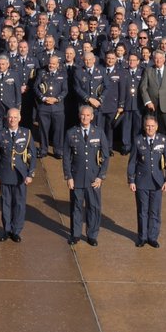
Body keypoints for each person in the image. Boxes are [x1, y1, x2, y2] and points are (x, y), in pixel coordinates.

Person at [63, 105, 109, 246]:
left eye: (88, 115)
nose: (85, 117)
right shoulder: (71, 133)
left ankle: (92, 235)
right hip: (76, 178)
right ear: (79, 115)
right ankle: (75, 234)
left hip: (93, 178)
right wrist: (68, 176)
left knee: (94, 207)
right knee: (76, 207)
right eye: (83, 115)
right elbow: (66, 157)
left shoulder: (99, 132)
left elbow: (105, 156)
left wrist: (101, 176)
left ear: (92, 116)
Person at [0, 107, 36, 243]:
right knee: (6, 203)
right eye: (10, 117)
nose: (12, 120)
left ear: (20, 118)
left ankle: (16, 231)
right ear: (6, 118)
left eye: (15, 117)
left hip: (20, 175)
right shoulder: (0, 134)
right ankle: (6, 230)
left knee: (19, 204)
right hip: (5, 174)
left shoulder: (26, 134)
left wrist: (30, 173)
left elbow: (32, 155)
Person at [127, 115, 166, 248]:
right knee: (142, 211)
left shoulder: (163, 140)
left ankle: (152, 237)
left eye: (152, 126)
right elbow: (132, 162)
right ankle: (142, 237)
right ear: (144, 126)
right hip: (141, 182)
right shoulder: (138, 140)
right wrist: (131, 180)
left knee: (155, 211)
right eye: (147, 126)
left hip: (157, 182)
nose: (150, 128)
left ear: (157, 127)